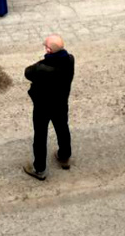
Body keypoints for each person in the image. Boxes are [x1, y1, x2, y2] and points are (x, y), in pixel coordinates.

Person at [22, 35, 74, 181]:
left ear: (49, 50)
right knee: (62, 128)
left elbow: (28, 72)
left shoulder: (41, 68)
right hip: (61, 103)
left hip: (43, 106)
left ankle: (39, 169)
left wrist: (45, 59)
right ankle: (64, 157)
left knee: (40, 135)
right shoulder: (70, 60)